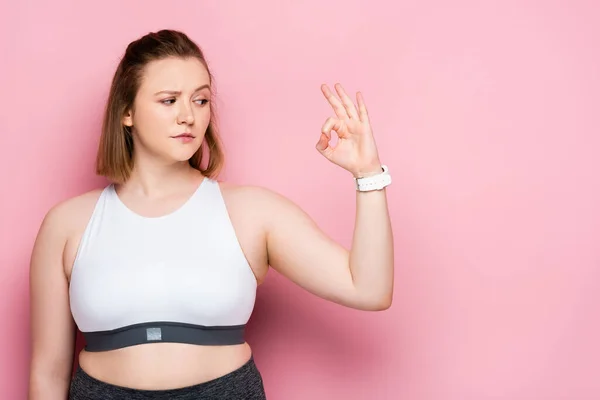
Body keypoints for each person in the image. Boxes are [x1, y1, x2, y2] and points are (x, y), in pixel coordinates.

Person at [27, 29, 394, 400]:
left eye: (200, 100)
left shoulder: (252, 212)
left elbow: (369, 289)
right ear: (127, 112)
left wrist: (368, 173)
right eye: (169, 100)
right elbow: (48, 372)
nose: (188, 116)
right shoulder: (66, 225)